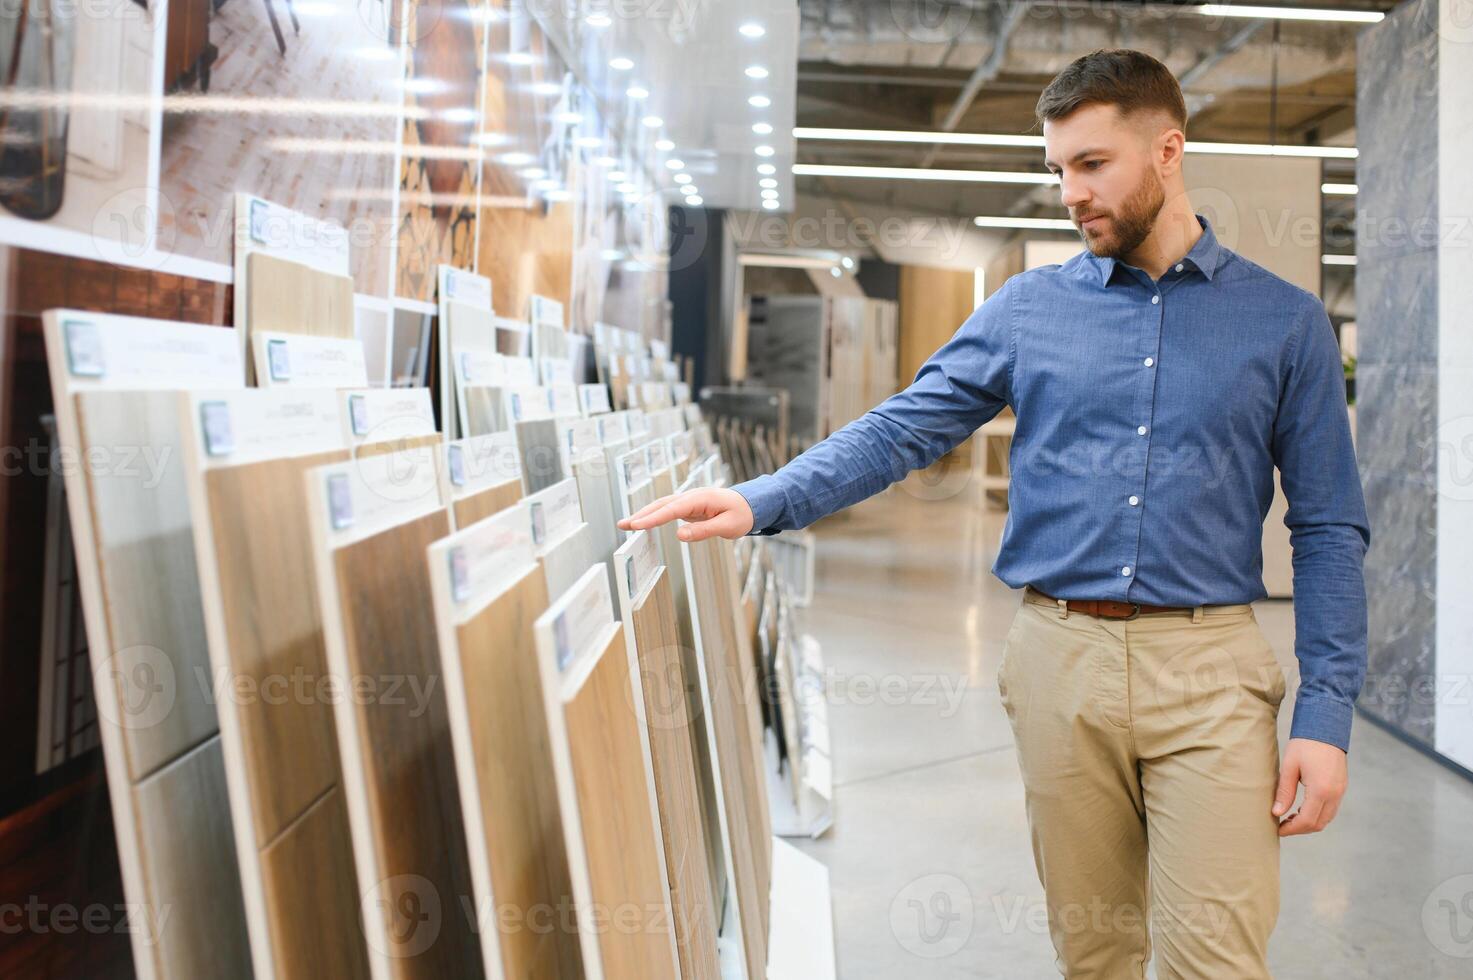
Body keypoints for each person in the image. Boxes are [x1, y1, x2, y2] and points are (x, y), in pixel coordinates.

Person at [619, 48, 1368, 979]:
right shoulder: (1027, 309)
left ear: (1167, 150)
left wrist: (1324, 716)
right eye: (1057, 170)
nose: (1069, 194)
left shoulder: (1283, 322)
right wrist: (761, 497)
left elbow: (1328, 525)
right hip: (1059, 661)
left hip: (1211, 672)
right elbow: (902, 429)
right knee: (1092, 952)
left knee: (1215, 960)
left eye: (1091, 165)